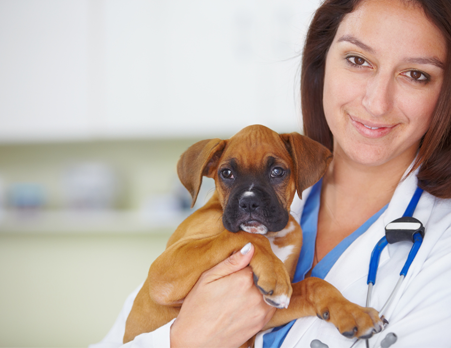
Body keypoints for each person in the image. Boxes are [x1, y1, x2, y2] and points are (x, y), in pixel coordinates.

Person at [89, 0, 451, 347]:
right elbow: (154, 299)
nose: (377, 101)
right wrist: (182, 340)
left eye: (416, 74)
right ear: (320, 64)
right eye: (357, 60)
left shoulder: (441, 248)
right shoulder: (214, 226)